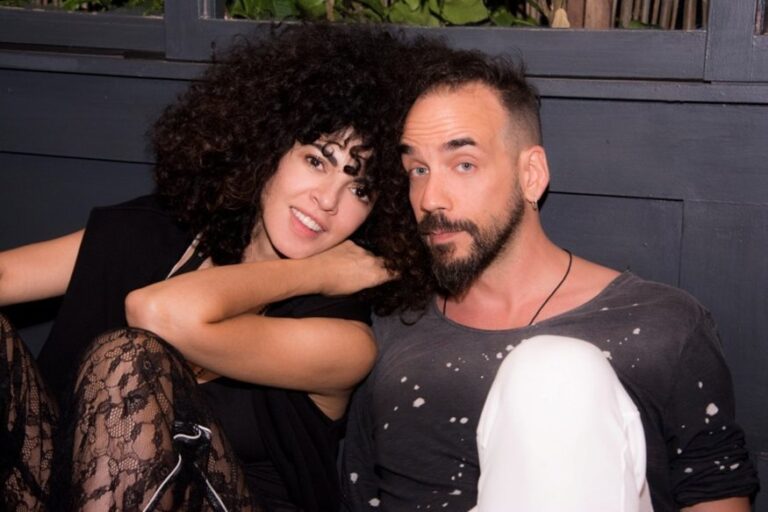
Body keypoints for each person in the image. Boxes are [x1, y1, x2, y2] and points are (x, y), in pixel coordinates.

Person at [0, 23, 429, 511]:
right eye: (316, 161)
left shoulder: (343, 341)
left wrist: (320, 274)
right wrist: (325, 268)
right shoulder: (157, 234)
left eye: (359, 189)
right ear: (269, 146)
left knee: (132, 357)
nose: (328, 200)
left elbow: (159, 314)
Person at [342, 44, 760, 511]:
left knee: (554, 371)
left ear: (532, 174)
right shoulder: (392, 329)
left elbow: (715, 495)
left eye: (464, 164)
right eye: (418, 169)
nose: (430, 198)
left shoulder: (660, 326)